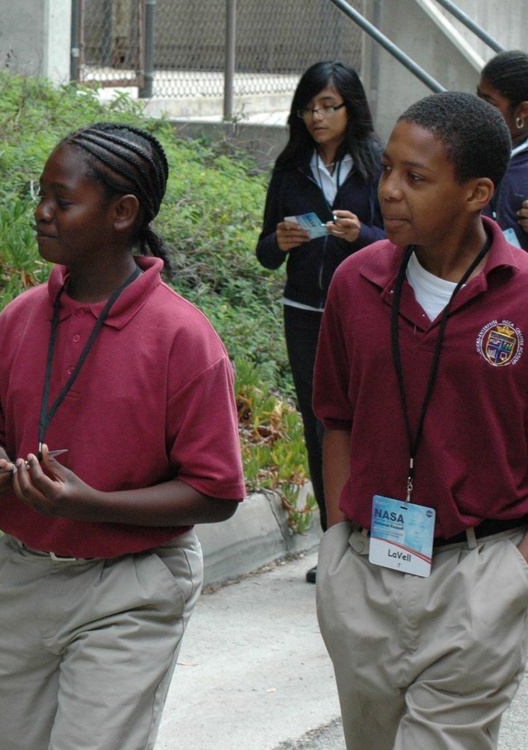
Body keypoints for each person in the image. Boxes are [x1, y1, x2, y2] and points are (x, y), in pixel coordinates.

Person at [0, 122, 246, 750]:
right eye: (41, 194)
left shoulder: (183, 339)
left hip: (132, 584)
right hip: (17, 577)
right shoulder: (16, 320)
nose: (41, 212)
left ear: (122, 213)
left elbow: (217, 493)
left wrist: (92, 505)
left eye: (63, 201)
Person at [313, 91, 528, 749]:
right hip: (368, 568)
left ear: (477, 192)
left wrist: (518, 571)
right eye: (387, 171)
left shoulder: (523, 295)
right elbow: (336, 417)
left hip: (482, 569)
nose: (390, 193)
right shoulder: (355, 283)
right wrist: (338, 541)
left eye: (416, 177)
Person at [255, 61, 385, 583]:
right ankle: (334, 547)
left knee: (374, 422)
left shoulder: (378, 163)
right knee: (320, 425)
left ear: (350, 107)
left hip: (367, 311)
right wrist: (278, 243)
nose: (317, 116)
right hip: (306, 314)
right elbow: (265, 252)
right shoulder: (291, 168)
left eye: (328, 106)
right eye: (309, 107)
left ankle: (376, 539)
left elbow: (402, 241)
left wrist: (364, 235)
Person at [477, 49, 528, 248]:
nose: (479, 108)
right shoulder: (463, 142)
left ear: (523, 111)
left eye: (489, 103)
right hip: (468, 274)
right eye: (478, 96)